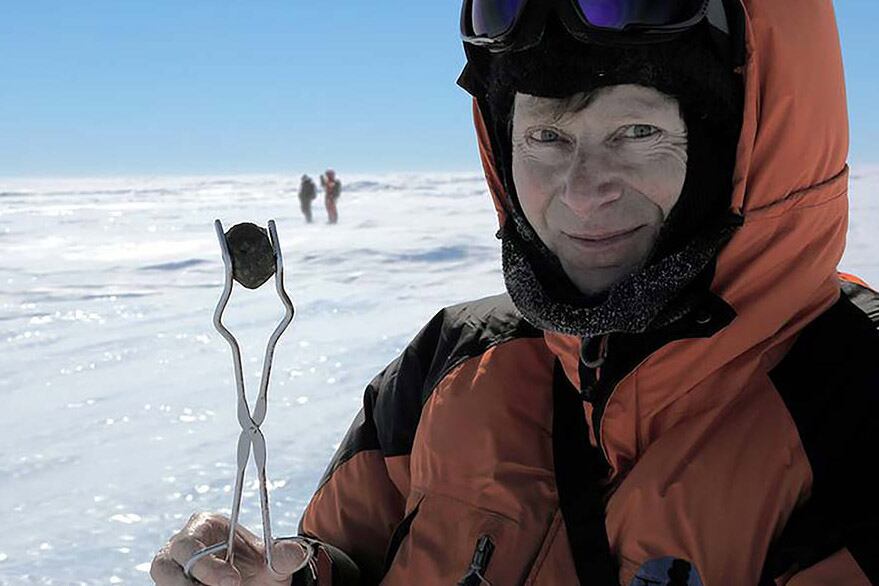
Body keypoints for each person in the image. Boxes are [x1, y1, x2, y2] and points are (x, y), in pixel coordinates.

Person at [152, 1, 879, 585]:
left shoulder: (852, 407)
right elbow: (348, 552)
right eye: (546, 138)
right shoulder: (455, 361)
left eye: (635, 130)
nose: (582, 194)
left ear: (745, 149)